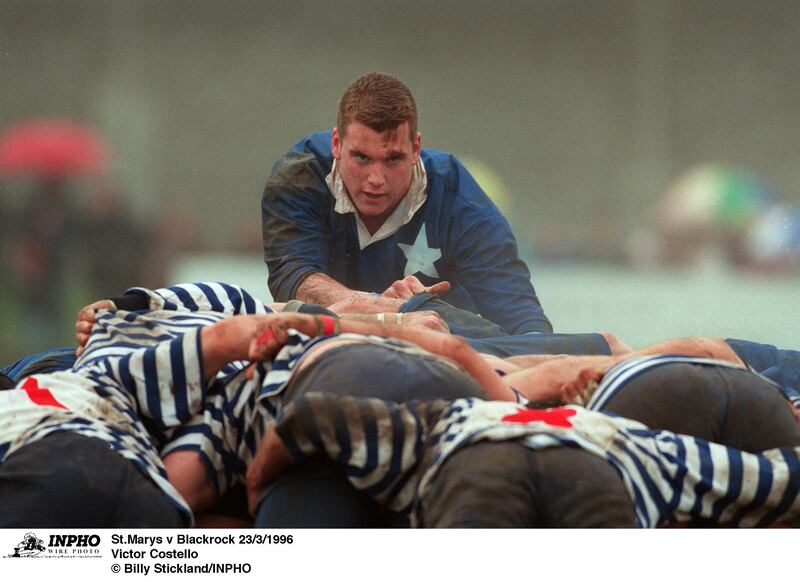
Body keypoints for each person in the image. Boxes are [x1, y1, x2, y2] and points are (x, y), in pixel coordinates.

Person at [262, 71, 552, 335]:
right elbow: (293, 280)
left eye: (393, 159)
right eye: (361, 157)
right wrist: (390, 311)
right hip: (331, 341)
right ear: (336, 144)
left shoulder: (461, 203)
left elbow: (523, 321)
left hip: (440, 348)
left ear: (416, 149)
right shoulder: (299, 177)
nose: (376, 178)